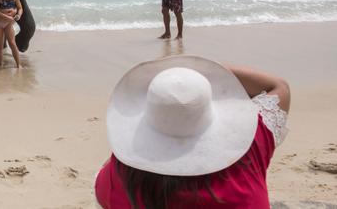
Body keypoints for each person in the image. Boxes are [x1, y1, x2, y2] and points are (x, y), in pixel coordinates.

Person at [95, 55, 290, 209]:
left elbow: (102, 190)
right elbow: (278, 86)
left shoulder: (119, 177)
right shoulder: (254, 141)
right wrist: (206, 72)